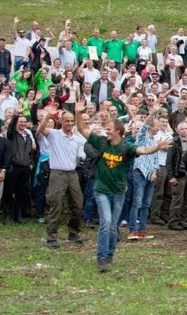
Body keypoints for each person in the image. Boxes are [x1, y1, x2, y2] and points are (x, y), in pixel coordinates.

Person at [75, 101, 170, 271]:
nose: (106, 131)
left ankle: (110, 253)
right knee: (106, 221)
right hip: (101, 189)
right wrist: (77, 113)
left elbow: (143, 151)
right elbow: (82, 130)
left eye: (109, 128)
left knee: (113, 226)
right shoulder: (101, 142)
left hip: (118, 190)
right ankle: (101, 257)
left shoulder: (126, 146)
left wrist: (157, 147)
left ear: (118, 131)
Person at [37, 106, 87, 248]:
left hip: (72, 173)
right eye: (67, 121)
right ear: (61, 121)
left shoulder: (77, 139)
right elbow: (41, 129)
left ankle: (73, 232)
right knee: (55, 204)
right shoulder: (54, 134)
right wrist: (48, 116)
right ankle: (51, 237)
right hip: (57, 173)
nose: (70, 124)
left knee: (77, 204)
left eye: (72, 121)